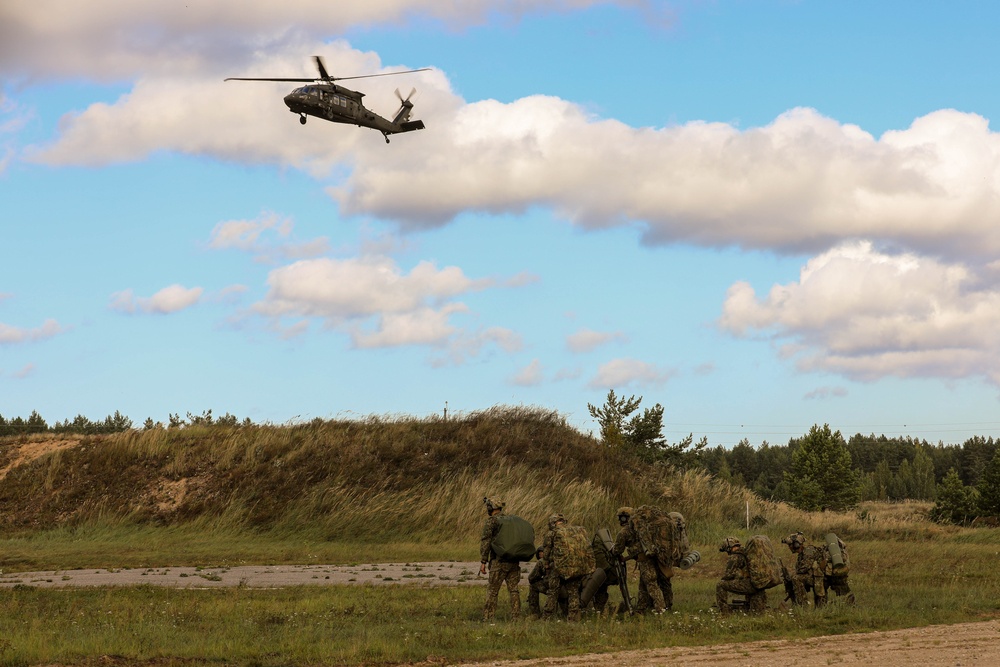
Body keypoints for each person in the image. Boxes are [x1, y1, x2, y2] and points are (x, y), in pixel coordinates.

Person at [610, 507, 669, 613]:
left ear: (623, 518)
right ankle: (641, 607)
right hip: (652, 558)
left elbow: (617, 550)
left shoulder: (624, 532)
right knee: (643, 585)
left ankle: (660, 608)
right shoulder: (644, 528)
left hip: (645, 560)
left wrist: (612, 550)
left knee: (651, 584)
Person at [479, 497, 521, 621]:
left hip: (498, 562)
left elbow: (486, 542)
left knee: (492, 590)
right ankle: (516, 617)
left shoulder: (492, 521)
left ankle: (488, 617)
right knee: (514, 590)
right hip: (513, 561)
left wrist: (483, 561)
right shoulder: (511, 520)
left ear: (491, 508)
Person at [540, 514, 588, 621]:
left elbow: (546, 552)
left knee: (553, 592)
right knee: (573, 592)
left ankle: (546, 617)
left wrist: (546, 564)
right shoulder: (575, 531)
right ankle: (573, 618)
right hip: (575, 566)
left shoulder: (552, 533)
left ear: (553, 523)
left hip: (558, 568)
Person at [716, 536, 767, 614]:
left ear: (729, 547)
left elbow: (728, 575)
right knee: (757, 613)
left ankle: (724, 612)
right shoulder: (747, 553)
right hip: (759, 584)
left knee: (720, 585)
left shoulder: (735, 556)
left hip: (750, 585)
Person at [780, 532, 826, 607]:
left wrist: (792, 573)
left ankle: (802, 605)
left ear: (796, 545)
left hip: (819, 577)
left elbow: (804, 568)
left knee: (796, 578)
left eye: (790, 545)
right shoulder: (802, 554)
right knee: (791, 578)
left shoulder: (808, 552)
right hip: (814, 576)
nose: (789, 547)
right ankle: (796, 603)